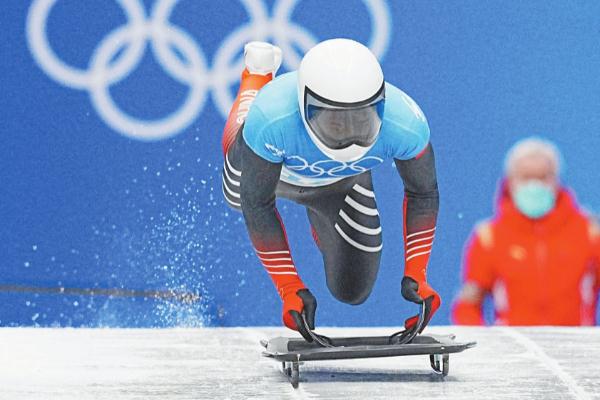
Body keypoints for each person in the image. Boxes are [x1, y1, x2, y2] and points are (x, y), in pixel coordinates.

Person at [221, 39, 440, 340]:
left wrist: (418, 273)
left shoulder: (406, 124)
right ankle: (256, 78)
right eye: (334, 121)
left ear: (382, 105)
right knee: (235, 194)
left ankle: (324, 223)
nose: (349, 135)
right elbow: (257, 204)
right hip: (272, 172)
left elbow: (423, 194)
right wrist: (288, 287)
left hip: (341, 185)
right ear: (303, 107)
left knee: (353, 289)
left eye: (362, 118)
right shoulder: (272, 119)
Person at [452, 137, 600, 326]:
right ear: (510, 182)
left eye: (542, 177)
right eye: (526, 177)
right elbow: (468, 305)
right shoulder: (488, 237)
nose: (534, 186)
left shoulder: (590, 232)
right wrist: (486, 348)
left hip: (576, 350)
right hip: (515, 352)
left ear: (556, 180)